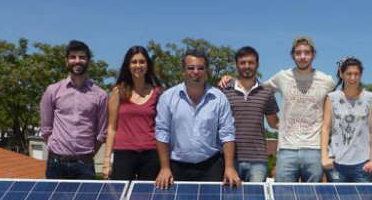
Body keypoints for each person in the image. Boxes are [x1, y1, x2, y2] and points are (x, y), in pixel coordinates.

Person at [220, 36, 334, 182]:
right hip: (286, 148)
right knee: (282, 196)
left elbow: (338, 103)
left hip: (314, 148)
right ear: (293, 55)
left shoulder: (327, 81)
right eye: (298, 53)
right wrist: (231, 79)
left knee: (311, 197)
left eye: (306, 52)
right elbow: (256, 87)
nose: (302, 57)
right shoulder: (282, 77)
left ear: (314, 54)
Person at [154, 49, 240, 189]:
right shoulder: (167, 97)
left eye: (200, 68)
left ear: (206, 71)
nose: (196, 72)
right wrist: (164, 168)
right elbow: (162, 132)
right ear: (183, 70)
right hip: (176, 167)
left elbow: (227, 134)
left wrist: (229, 168)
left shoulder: (219, 98)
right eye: (191, 68)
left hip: (211, 166)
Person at [40, 40, 107, 179]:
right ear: (67, 61)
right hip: (56, 164)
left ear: (88, 61)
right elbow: (46, 129)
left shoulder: (100, 95)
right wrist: (58, 151)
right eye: (73, 57)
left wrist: (85, 155)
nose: (77, 61)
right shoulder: (52, 91)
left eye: (82, 57)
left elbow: (101, 133)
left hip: (85, 165)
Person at [102, 46, 162, 180]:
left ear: (147, 65)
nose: (138, 65)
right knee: (120, 197)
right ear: (128, 66)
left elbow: (162, 127)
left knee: (149, 197)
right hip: (123, 153)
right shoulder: (118, 92)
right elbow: (111, 128)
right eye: (134, 62)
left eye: (142, 61)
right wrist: (106, 161)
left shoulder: (157, 93)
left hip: (151, 153)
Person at [221, 46, 279, 182]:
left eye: (251, 63)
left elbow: (274, 123)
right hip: (230, 160)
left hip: (258, 160)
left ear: (257, 65)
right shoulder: (224, 90)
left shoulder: (266, 92)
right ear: (236, 65)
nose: (247, 66)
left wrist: (298, 125)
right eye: (242, 63)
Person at [321, 57, 372, 182]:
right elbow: (325, 128)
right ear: (341, 74)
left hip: (362, 164)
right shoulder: (331, 98)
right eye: (349, 74)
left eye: (356, 74)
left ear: (361, 75)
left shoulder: (370, 98)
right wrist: (324, 156)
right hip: (336, 163)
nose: (353, 78)